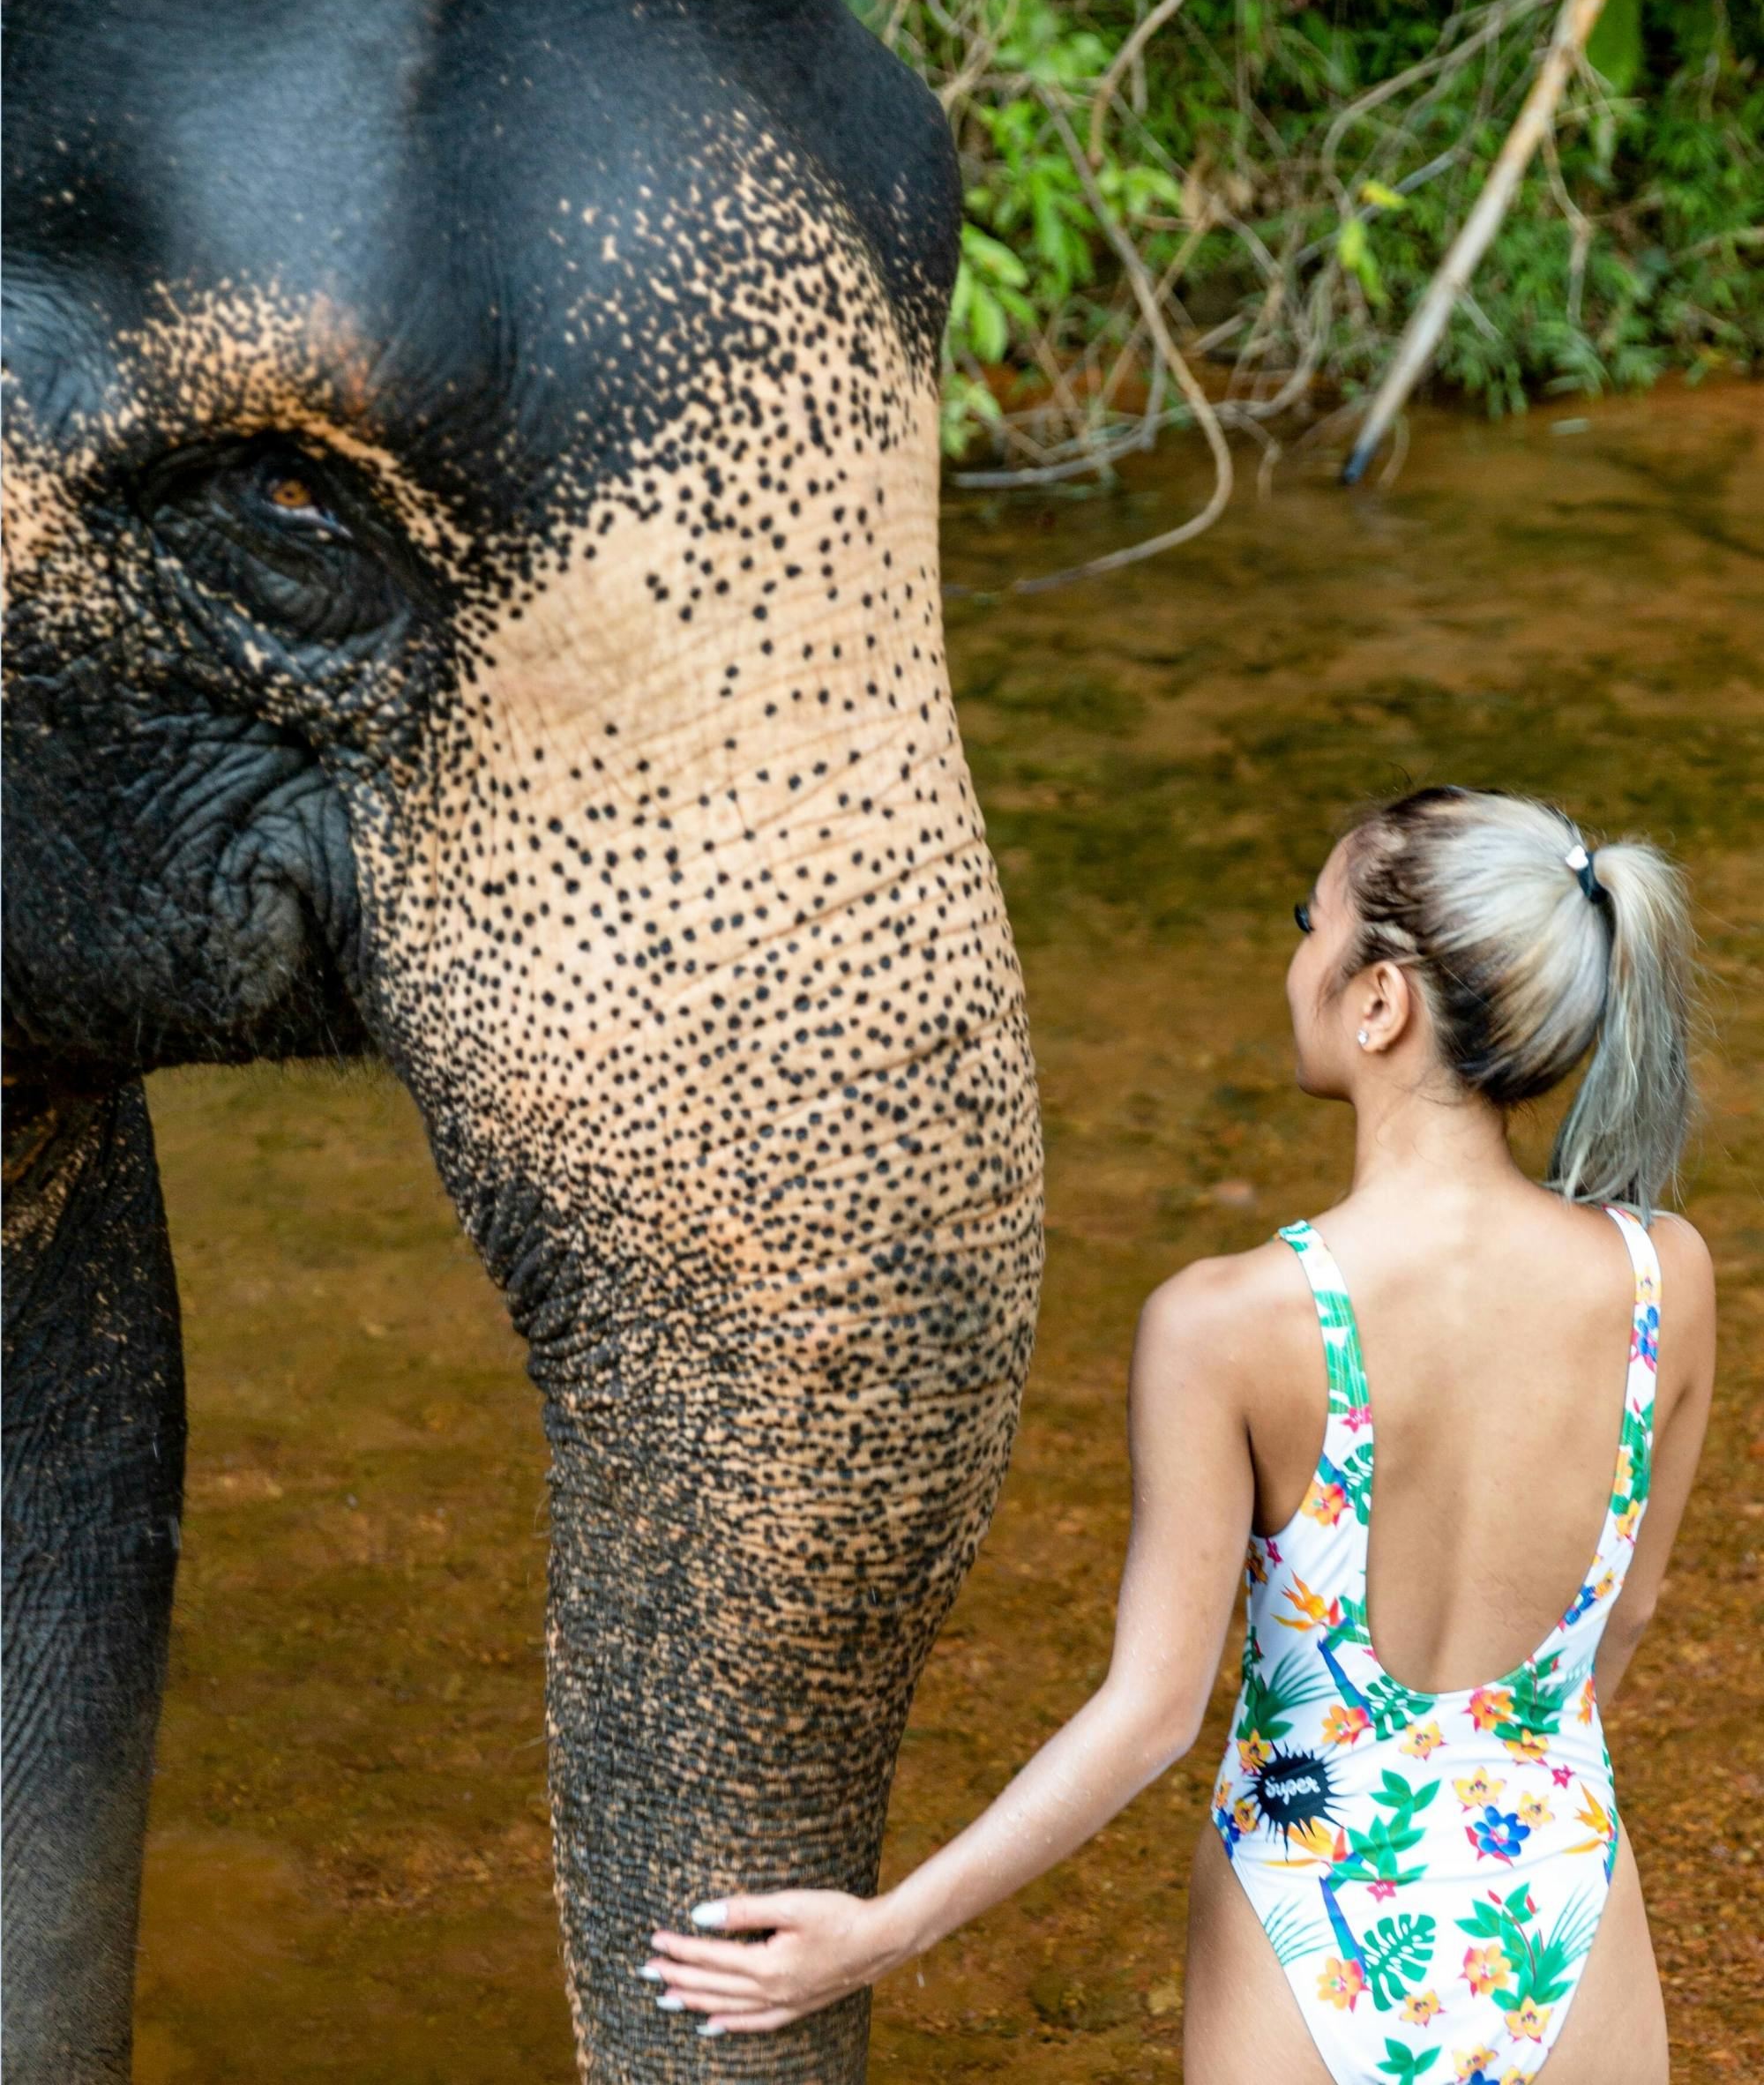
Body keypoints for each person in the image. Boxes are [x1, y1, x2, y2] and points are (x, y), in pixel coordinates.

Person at [642, 786, 1715, 2085]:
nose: (1293, 962)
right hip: (1557, 1908)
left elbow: (1150, 1719)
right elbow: (1631, 1615)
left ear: (1380, 1002)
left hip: (1303, 1923)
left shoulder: (1231, 1323)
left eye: (1306, 924)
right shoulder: (1666, 1277)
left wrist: (879, 1936)